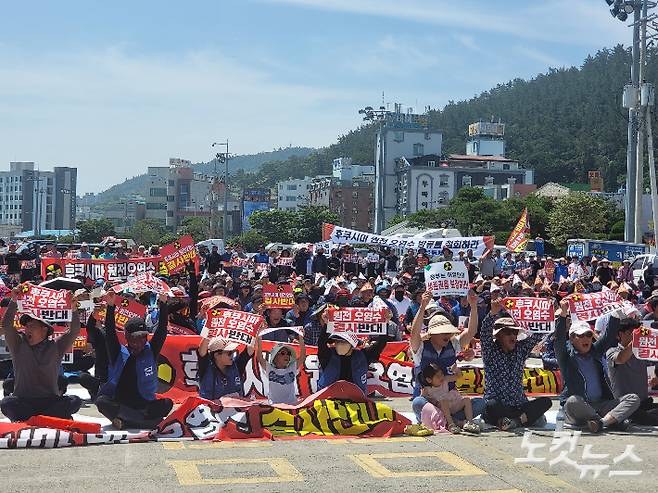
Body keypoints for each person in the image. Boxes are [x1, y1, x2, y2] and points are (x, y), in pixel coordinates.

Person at [555, 300, 640, 433]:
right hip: (580, 406)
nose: (586, 339)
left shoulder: (596, 351)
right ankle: (611, 421)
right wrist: (563, 314)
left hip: (602, 404)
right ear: (572, 339)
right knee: (572, 401)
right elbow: (559, 340)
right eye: (581, 335)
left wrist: (616, 309)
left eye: (588, 335)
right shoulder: (566, 358)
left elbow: (609, 334)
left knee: (633, 398)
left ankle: (601, 422)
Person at [0, 288, 83, 421]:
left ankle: (37, 419)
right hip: (24, 400)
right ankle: (47, 418)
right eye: (26, 326)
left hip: (50, 400)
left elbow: (74, 331)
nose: (27, 329)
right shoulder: (18, 345)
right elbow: (7, 325)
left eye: (31, 326)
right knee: (6, 403)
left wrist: (73, 309)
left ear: (44, 330)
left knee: (75, 401)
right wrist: (13, 300)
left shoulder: (56, 346)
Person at [95, 290, 173, 429]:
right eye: (135, 338)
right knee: (101, 402)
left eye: (143, 337)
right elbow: (110, 334)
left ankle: (126, 421)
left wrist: (163, 303)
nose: (139, 342)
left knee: (167, 403)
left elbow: (161, 330)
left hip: (144, 404)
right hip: (122, 403)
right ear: (127, 336)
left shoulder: (151, 351)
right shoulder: (118, 353)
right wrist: (111, 305)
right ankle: (144, 422)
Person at [410, 291, 484, 423]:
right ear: (432, 334)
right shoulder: (420, 347)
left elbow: (471, 331)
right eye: (442, 332)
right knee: (417, 402)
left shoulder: (454, 344)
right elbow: (414, 333)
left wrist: (473, 306)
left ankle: (446, 420)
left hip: (450, 401)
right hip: (430, 401)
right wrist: (422, 307)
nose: (447, 334)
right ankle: (451, 420)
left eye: (448, 331)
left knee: (481, 403)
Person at [480, 298, 551, 431]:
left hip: (519, 405)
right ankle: (518, 420)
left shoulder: (521, 349)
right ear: (499, 335)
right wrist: (493, 313)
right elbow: (484, 333)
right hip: (498, 406)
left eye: (515, 332)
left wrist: (547, 313)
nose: (513, 335)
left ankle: (514, 422)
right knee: (491, 404)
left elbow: (538, 334)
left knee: (546, 402)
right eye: (508, 333)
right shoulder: (490, 350)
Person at [606, 318, 658, 425]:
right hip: (626, 405)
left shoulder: (642, 352)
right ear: (619, 334)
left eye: (638, 333)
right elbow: (621, 359)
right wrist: (635, 341)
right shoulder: (612, 351)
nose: (637, 336)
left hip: (644, 403)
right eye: (632, 333)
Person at [418, 363, 480, 434]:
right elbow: (422, 400)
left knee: (466, 400)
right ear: (429, 380)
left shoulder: (445, 380)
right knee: (443, 402)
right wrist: (429, 399)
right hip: (441, 410)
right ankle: (451, 424)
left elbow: (459, 376)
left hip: (452, 405)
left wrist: (456, 369)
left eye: (441, 374)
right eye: (438, 376)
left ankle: (470, 422)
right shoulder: (427, 389)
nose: (441, 377)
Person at [255, 330, 306, 404]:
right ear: (275, 357)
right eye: (283, 353)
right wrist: (259, 339)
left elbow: (302, 357)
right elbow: (259, 357)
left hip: (291, 404)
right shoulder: (269, 369)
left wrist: (301, 338)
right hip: (274, 405)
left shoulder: (292, 368)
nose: (286, 356)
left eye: (288, 353)